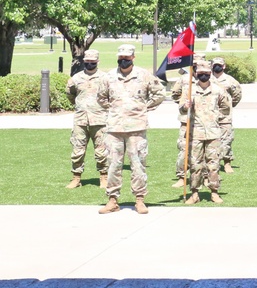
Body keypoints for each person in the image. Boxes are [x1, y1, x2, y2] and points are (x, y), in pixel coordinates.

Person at [97, 44, 165, 214]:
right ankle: (112, 200)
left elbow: (160, 93)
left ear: (133, 58)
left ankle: (140, 200)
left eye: (127, 58)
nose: (124, 61)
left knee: (138, 165)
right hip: (114, 128)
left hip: (137, 127)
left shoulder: (144, 75)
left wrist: (144, 106)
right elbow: (101, 98)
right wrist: (115, 109)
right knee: (113, 165)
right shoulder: (109, 77)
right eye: (121, 58)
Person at [178, 61, 230, 204]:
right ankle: (194, 193)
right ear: (196, 74)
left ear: (210, 74)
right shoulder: (189, 90)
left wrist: (215, 117)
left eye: (206, 74)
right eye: (200, 74)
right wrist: (185, 106)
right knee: (195, 165)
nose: (203, 76)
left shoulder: (218, 90)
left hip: (213, 133)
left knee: (213, 164)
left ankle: (214, 192)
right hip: (195, 133)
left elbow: (226, 107)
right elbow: (181, 108)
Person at [64, 49, 109, 189]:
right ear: (84, 62)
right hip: (81, 120)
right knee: (77, 150)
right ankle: (76, 178)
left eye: (93, 62)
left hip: (100, 120)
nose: (90, 64)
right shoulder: (76, 78)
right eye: (87, 62)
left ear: (98, 62)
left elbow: (111, 96)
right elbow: (70, 95)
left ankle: (104, 177)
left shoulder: (105, 78)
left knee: (102, 151)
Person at [170, 52, 205, 188]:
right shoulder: (185, 79)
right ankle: (182, 176)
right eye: (195, 65)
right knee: (184, 149)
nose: (197, 67)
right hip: (187, 120)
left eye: (200, 64)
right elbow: (175, 94)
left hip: (204, 121)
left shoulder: (209, 79)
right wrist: (184, 105)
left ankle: (205, 177)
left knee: (204, 151)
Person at [210, 57, 243, 173]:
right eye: (215, 64)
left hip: (225, 116)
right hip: (209, 115)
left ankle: (227, 162)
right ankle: (212, 163)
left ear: (224, 66)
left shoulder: (230, 81)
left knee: (226, 140)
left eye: (220, 65)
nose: (217, 67)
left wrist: (228, 105)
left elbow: (237, 95)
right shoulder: (207, 79)